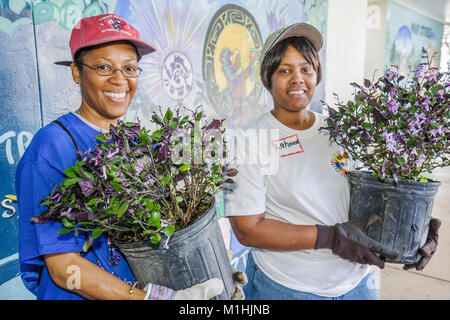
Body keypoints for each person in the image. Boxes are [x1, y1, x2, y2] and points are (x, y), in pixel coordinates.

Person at [225, 23, 441, 300]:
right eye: (284, 70)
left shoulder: (339, 130)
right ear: (267, 77)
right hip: (289, 287)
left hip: (358, 284)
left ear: (317, 75)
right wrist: (332, 237)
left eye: (306, 69)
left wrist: (418, 227)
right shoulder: (251, 139)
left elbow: (375, 195)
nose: (297, 79)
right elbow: (248, 230)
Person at [16, 13, 225, 300]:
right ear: (77, 72)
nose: (120, 80)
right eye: (104, 67)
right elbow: (64, 269)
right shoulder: (52, 147)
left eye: (130, 68)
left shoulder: (132, 142)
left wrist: (207, 281)